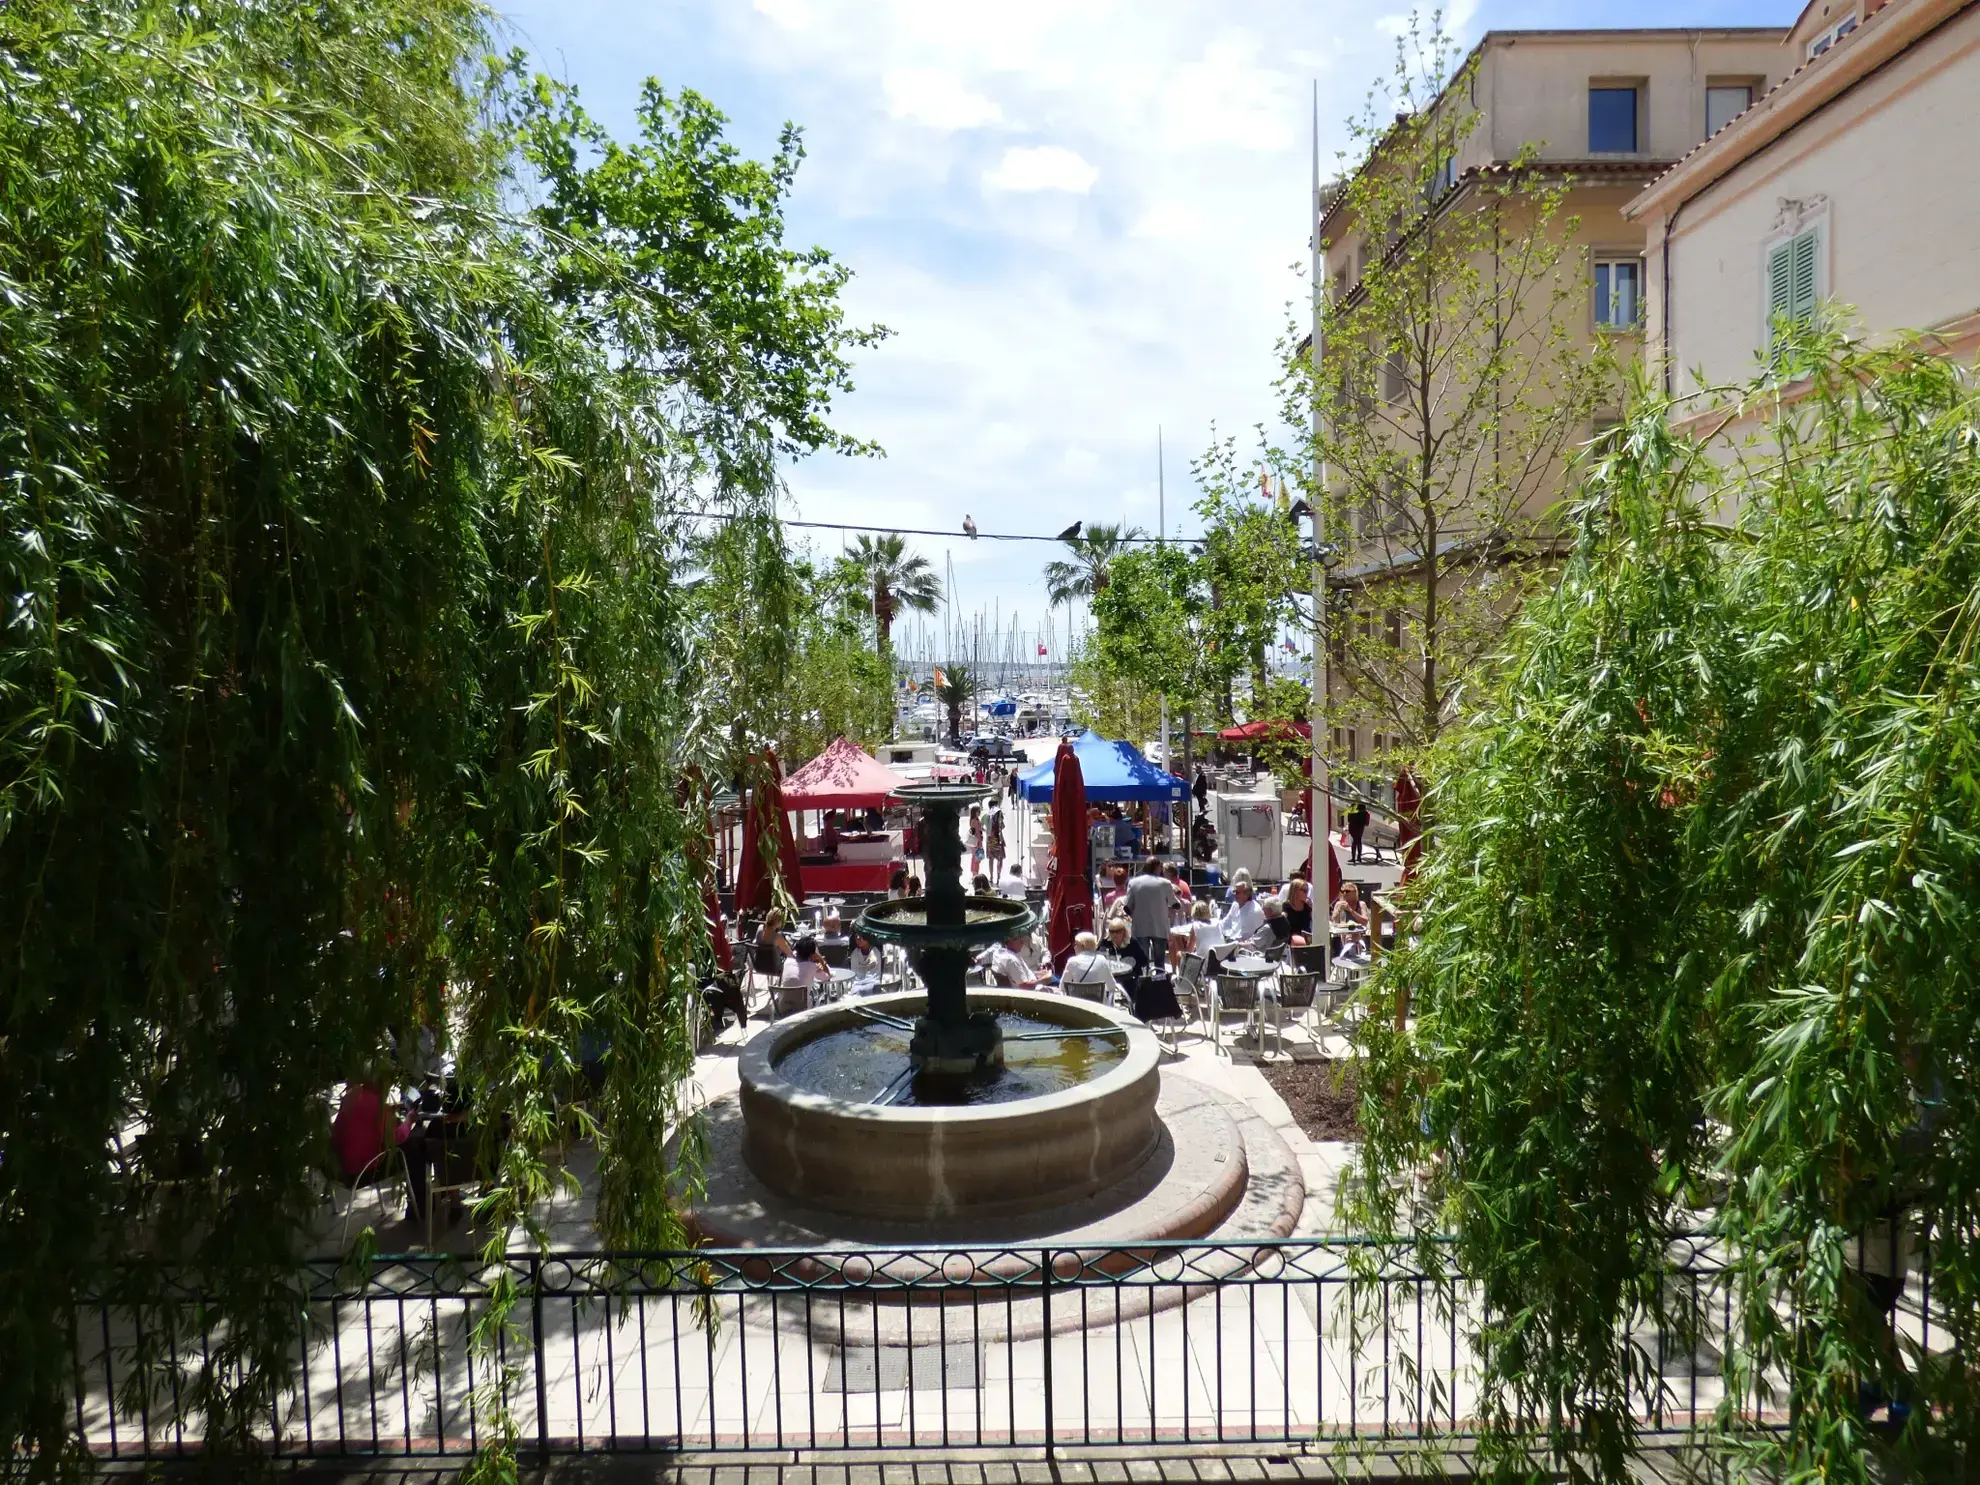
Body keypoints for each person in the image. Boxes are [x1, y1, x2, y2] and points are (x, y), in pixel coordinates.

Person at [1124, 855, 1177, 966]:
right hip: (1159, 927)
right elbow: (1174, 903)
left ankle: (1144, 980)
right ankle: (1159, 981)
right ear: (1157, 867)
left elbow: (1127, 907)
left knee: (1143, 960)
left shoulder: (1133, 883)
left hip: (1140, 927)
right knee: (1159, 962)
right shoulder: (1165, 883)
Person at [1058, 931, 1116, 997]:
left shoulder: (1072, 961)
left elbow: (1062, 986)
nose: (1074, 947)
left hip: (1078, 1004)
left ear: (1083, 946)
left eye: (1076, 944)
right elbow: (1112, 986)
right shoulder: (1102, 960)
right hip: (1098, 1004)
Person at [980, 933, 1045, 988]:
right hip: (1032, 991)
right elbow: (1024, 986)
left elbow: (1024, 973)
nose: (1022, 941)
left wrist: (1039, 974)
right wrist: (1044, 980)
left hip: (1033, 978)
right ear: (1010, 941)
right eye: (1018, 939)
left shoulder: (1000, 952)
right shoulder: (1012, 960)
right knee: (1054, 982)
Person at [781, 934, 832, 1003]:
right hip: (802, 1009)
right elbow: (827, 977)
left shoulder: (787, 961)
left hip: (783, 1007)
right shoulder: (812, 966)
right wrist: (821, 960)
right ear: (812, 954)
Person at [1220, 878, 1266, 949]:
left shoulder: (1254, 911)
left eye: (1237, 892)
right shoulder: (1235, 905)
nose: (1234, 895)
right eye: (1234, 891)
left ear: (1246, 894)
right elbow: (1225, 922)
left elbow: (1244, 936)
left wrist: (1229, 941)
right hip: (1232, 942)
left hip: (1246, 948)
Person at [1283, 875, 1314, 943]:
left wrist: (1313, 908)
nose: (1306, 893)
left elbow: (1316, 922)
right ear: (1295, 891)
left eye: (1307, 890)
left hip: (1306, 937)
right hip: (1292, 938)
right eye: (1304, 891)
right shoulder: (1287, 906)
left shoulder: (1307, 906)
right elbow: (1282, 922)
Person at [1347, 798, 1371, 865]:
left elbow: (1349, 818)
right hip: (1360, 827)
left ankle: (1354, 858)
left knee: (1355, 841)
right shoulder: (1362, 807)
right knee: (1358, 841)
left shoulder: (1353, 807)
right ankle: (1358, 857)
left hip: (1354, 826)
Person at [986, 808, 1006, 881]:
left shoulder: (988, 817)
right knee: (1000, 859)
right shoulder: (999, 817)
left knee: (991, 859)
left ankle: (991, 876)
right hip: (998, 840)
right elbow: (1003, 827)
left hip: (991, 840)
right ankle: (998, 876)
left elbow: (987, 829)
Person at [967, 805, 985, 874]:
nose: (979, 812)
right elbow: (977, 833)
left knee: (974, 857)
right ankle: (975, 873)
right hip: (976, 842)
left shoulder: (974, 820)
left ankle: (973, 873)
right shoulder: (975, 820)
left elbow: (979, 829)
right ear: (974, 812)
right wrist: (980, 843)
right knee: (978, 859)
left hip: (973, 843)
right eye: (978, 811)